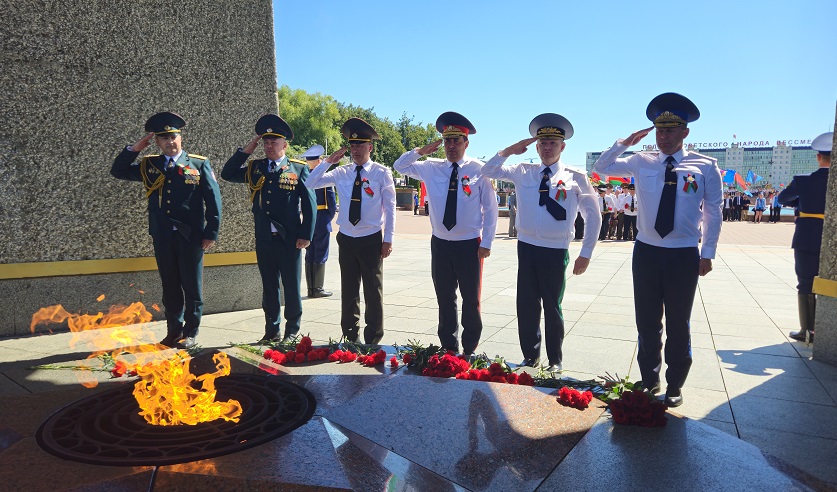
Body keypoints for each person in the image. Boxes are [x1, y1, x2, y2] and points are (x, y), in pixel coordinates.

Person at [593, 93, 722, 407]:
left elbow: (713, 212)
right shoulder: (641, 160)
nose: (663, 137)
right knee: (647, 321)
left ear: (685, 132)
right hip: (647, 252)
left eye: (670, 131)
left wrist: (708, 253)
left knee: (679, 322)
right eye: (659, 131)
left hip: (683, 253)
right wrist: (625, 143)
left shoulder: (705, 166)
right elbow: (601, 166)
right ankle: (649, 380)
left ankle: (675, 384)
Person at [484, 113, 601, 371]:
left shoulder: (576, 177)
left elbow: (593, 215)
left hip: (556, 250)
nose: (547, 147)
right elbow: (488, 170)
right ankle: (530, 356)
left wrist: (586, 252)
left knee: (552, 306)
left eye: (553, 143)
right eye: (543, 143)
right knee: (526, 304)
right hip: (526, 247)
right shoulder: (522, 171)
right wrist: (509, 151)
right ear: (536, 147)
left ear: (562, 146)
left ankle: (555, 359)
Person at [111, 112, 222, 349]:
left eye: (173, 137)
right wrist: (135, 148)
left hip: (191, 236)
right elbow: (118, 171)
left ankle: (190, 332)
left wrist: (210, 232)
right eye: (164, 138)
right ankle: (173, 331)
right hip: (162, 234)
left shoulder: (198, 164)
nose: (170, 142)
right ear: (157, 142)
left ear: (181, 138)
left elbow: (213, 200)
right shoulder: (150, 165)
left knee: (191, 286)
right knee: (169, 285)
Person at [394, 112, 497, 355]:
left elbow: (491, 208)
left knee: (471, 298)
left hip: (470, 244)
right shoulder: (431, 168)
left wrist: (487, 242)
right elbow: (400, 166)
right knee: (444, 297)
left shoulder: (479, 169)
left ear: (466, 143)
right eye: (447, 141)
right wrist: (420, 151)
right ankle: (449, 347)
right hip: (441, 243)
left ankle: (470, 348)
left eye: (456, 141)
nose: (451, 146)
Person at [221, 115, 316, 342]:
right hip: (264, 238)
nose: (269, 146)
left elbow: (310, 204)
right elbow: (227, 174)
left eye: (274, 142)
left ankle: (292, 330)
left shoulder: (298, 168)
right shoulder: (256, 167)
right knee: (269, 287)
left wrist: (306, 235)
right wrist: (246, 150)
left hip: (290, 239)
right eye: (265, 142)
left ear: (285, 145)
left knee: (291, 287)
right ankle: (272, 330)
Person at [306, 118, 396, 344]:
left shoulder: (381, 173)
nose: (355, 150)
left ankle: (373, 339)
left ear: (370, 147)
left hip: (371, 239)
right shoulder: (341, 172)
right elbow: (310, 183)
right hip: (346, 238)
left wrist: (388, 239)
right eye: (352, 146)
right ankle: (350, 337)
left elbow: (390, 208)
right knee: (349, 291)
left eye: (360, 145)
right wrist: (328, 162)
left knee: (373, 291)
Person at [778, 132, 832, 343]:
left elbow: (783, 198)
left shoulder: (803, 180)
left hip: (807, 237)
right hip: (831, 239)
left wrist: (801, 204)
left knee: (806, 282)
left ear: (818, 157)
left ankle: (808, 331)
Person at [301, 145, 337, 298]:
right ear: (319, 160)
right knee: (321, 252)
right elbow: (331, 201)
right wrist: (328, 217)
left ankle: (311, 289)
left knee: (310, 252)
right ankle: (318, 289)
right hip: (322, 217)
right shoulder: (323, 176)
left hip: (308, 218)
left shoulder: (304, 176)